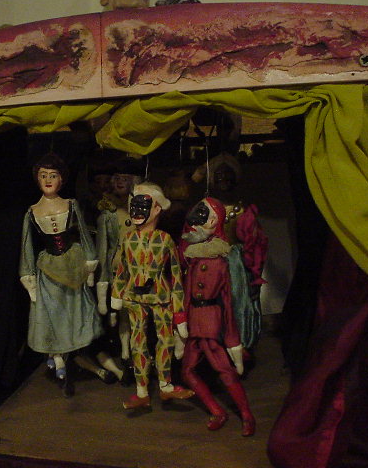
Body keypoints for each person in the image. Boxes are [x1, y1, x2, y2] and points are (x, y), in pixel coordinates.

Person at [19, 152, 103, 396]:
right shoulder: (32, 211)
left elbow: (85, 234)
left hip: (72, 264)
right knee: (52, 313)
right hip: (48, 267)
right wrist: (28, 277)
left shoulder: (71, 205)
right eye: (43, 175)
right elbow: (26, 245)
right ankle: (57, 356)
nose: (48, 180)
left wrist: (89, 263)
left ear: (62, 180)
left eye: (53, 175)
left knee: (72, 310)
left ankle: (71, 354)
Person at [111, 182, 194, 409]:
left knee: (165, 340)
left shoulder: (165, 240)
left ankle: (165, 385)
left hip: (160, 297)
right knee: (138, 342)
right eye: (134, 206)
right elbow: (122, 269)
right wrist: (117, 294)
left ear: (157, 209)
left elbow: (176, 276)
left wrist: (179, 313)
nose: (137, 211)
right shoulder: (128, 239)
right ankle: (142, 390)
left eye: (143, 206)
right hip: (134, 298)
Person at [178, 197, 255, 436]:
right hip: (194, 321)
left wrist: (232, 340)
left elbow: (228, 302)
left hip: (210, 322)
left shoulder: (219, 260)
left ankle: (246, 415)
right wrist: (180, 318)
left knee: (224, 370)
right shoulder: (193, 256)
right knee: (187, 371)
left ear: (214, 222)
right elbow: (187, 293)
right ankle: (217, 410)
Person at [192, 152, 268, 352]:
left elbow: (256, 245)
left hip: (236, 267)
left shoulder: (243, 210)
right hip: (211, 264)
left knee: (237, 302)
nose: (224, 179)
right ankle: (214, 347)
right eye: (218, 175)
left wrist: (254, 274)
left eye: (228, 175)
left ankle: (241, 345)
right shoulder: (204, 210)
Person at [96, 158, 143, 384]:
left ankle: (139, 352)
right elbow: (103, 249)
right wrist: (102, 281)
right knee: (122, 314)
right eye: (118, 178)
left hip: (141, 268)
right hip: (120, 270)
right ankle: (126, 353)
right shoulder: (108, 215)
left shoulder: (141, 209)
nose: (121, 182)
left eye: (126, 178)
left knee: (139, 314)